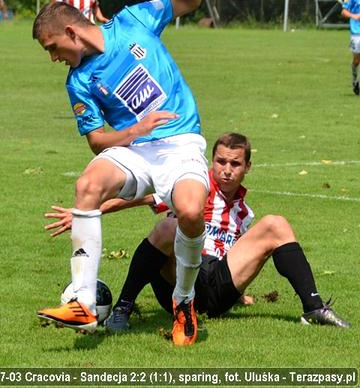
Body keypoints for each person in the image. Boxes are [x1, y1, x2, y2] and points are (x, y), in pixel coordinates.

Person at [33, 0, 209, 346]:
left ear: (72, 32)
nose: (53, 57)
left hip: (181, 142)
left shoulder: (133, 21)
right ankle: (82, 302)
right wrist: (134, 131)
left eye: (52, 47)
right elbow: (97, 141)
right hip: (134, 151)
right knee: (87, 186)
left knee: (188, 212)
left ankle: (184, 301)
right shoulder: (78, 82)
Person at [45, 132, 350, 332]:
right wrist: (86, 212)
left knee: (276, 224)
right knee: (169, 226)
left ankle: (314, 308)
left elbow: (238, 258)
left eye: (235, 163)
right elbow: (139, 198)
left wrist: (242, 294)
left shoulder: (244, 213)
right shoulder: (191, 186)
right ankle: (122, 310)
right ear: (210, 163)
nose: (226, 169)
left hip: (216, 287)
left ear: (247, 167)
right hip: (180, 277)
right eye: (220, 162)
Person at [341, 0, 360, 95]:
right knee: (357, 60)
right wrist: (354, 16)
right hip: (357, 32)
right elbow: (344, 11)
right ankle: (355, 79)